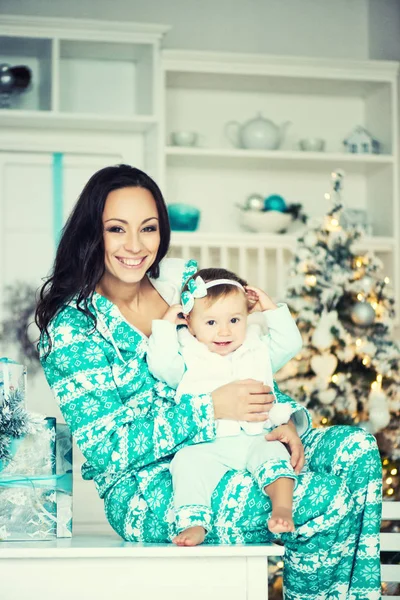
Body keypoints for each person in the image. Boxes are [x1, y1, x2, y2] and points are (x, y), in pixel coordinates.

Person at [36, 164, 382, 600]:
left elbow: (241, 354)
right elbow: (108, 449)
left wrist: (284, 419)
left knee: (357, 450)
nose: (135, 246)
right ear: (93, 233)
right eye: (116, 229)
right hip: (158, 485)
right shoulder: (73, 328)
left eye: (148, 228)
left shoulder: (184, 285)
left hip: (245, 438)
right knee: (325, 500)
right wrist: (211, 408)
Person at [146, 267, 303, 545]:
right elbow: (160, 365)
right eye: (211, 323)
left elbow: (290, 343)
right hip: (209, 444)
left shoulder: (258, 350)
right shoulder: (188, 356)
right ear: (190, 324)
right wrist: (167, 324)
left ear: (247, 318)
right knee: (186, 463)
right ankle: (195, 523)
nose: (224, 331)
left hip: (257, 436)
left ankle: (281, 507)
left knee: (275, 454)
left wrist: (268, 306)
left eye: (234, 319)